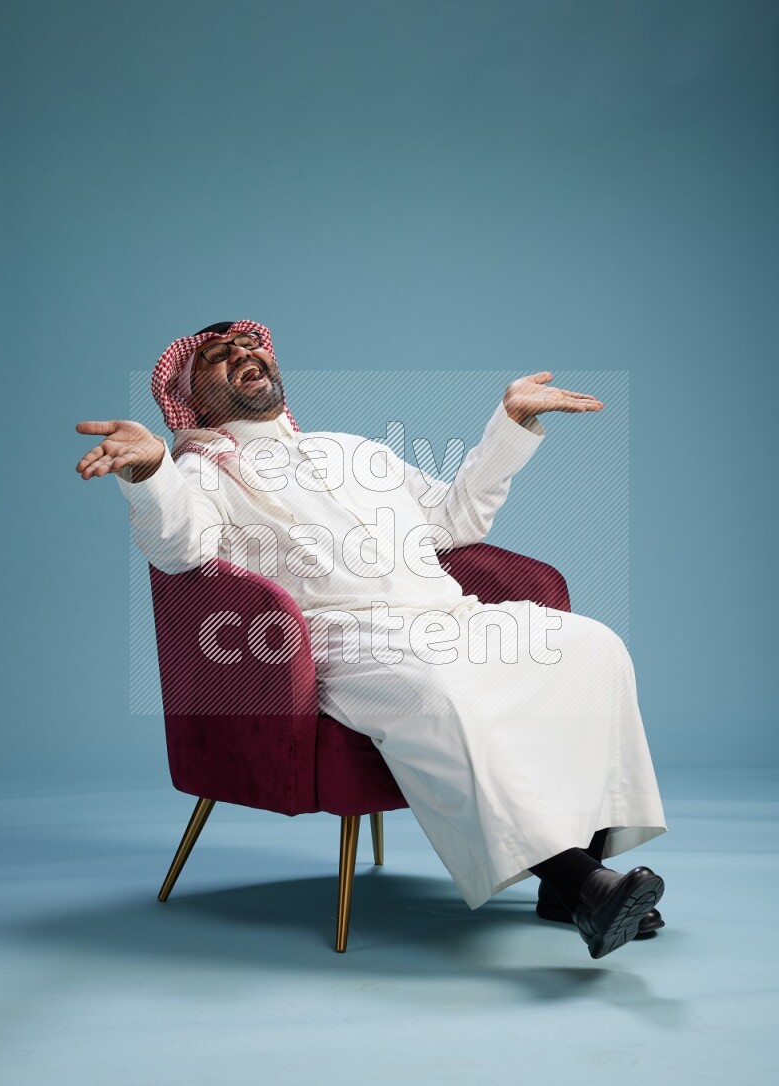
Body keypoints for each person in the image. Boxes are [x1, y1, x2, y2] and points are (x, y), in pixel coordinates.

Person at [76, 318, 667, 960]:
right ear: (192, 397)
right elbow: (179, 547)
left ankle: (582, 873)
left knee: (593, 648)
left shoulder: (354, 450)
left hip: (447, 615)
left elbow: (455, 519)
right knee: (437, 692)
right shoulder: (202, 474)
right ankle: (581, 886)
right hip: (338, 639)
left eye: (250, 347)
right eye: (217, 358)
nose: (242, 355)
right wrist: (152, 470)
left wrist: (510, 424)